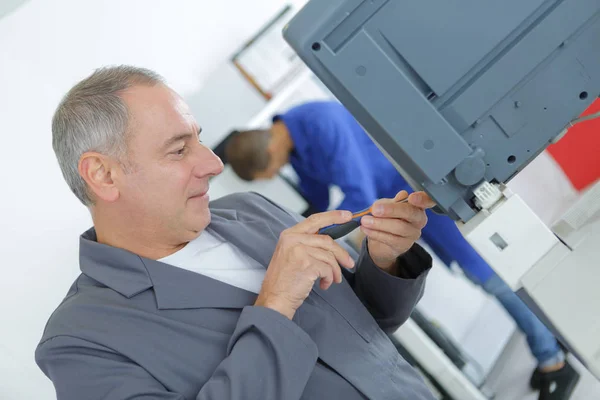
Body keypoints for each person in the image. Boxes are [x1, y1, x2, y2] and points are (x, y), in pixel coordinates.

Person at [36, 66, 442, 400]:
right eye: (178, 150)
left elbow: (366, 330)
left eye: (197, 139)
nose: (213, 163)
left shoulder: (250, 210)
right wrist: (276, 303)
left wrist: (386, 258)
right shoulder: (82, 340)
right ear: (104, 175)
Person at [226, 100, 580, 400]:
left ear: (269, 151)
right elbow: (317, 205)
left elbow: (358, 196)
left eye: (270, 172)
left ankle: (554, 361)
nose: (277, 174)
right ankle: (550, 343)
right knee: (479, 276)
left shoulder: (321, 122)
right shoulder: (296, 151)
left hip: (423, 192)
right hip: (402, 208)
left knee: (489, 276)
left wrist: (316, 244)